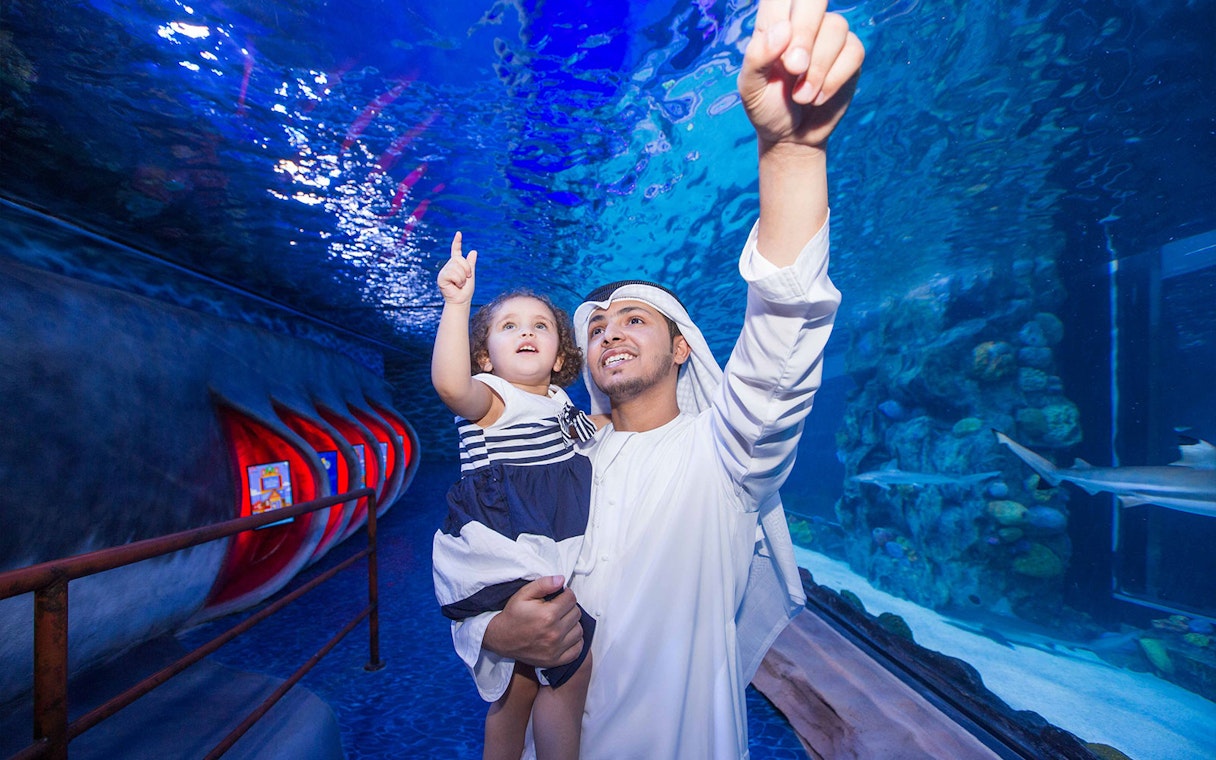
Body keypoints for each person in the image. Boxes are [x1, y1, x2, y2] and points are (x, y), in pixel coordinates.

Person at [452, 1, 865, 757]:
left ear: (683, 349)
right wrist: (497, 628)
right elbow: (478, 545)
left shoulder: (726, 457)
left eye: (636, 320)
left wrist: (792, 156)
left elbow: (781, 337)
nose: (609, 330)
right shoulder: (557, 453)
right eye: (598, 327)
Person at [430, 231, 599, 760]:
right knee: (571, 665)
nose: (526, 332)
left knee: (521, 685)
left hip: (538, 542)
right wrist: (457, 306)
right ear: (485, 357)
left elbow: (595, 435)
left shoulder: (557, 403)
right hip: (504, 542)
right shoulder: (491, 399)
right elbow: (451, 386)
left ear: (557, 356)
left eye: (540, 326)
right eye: (509, 327)